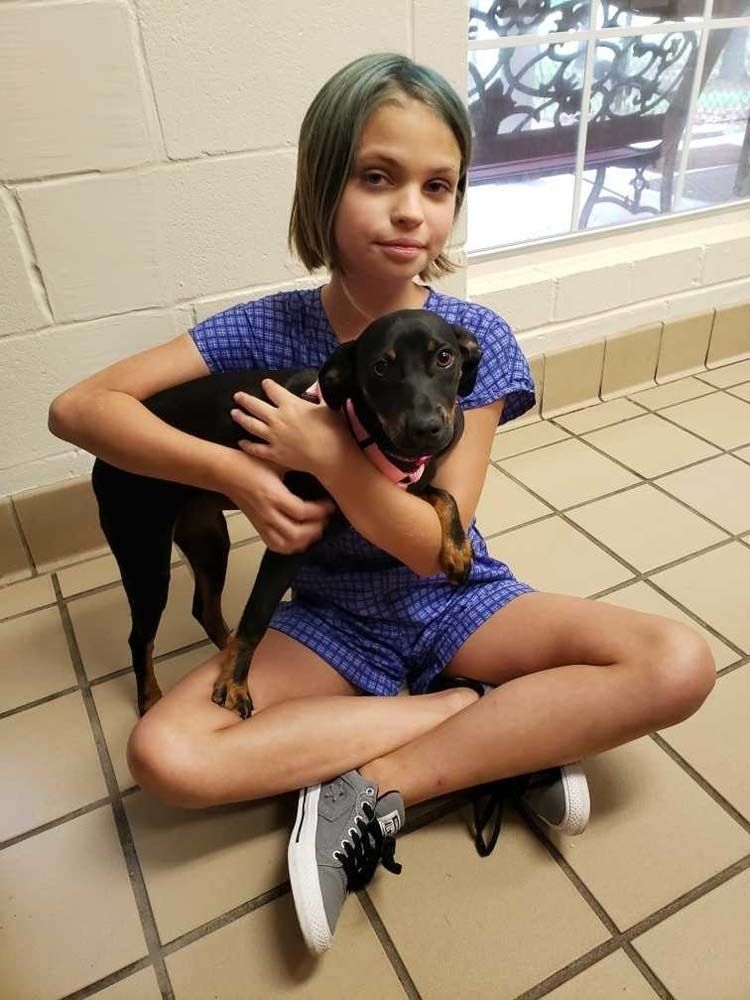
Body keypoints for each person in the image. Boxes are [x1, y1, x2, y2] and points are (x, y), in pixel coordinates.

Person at [49, 53, 716, 954]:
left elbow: (433, 549)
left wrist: (325, 450)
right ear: (323, 188)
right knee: (163, 756)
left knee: (677, 662)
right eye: (377, 177)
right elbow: (80, 408)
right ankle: (487, 727)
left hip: (459, 599)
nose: (411, 209)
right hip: (327, 619)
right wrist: (239, 475)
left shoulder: (471, 339)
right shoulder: (268, 326)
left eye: (438, 184)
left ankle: (376, 780)